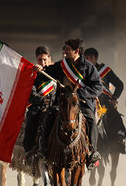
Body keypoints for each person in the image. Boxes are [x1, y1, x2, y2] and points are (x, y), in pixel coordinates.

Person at [35, 38, 103, 169]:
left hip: (81, 104)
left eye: (67, 49)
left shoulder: (89, 68)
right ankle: (43, 148)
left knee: (91, 121)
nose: (64, 51)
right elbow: (44, 75)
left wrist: (80, 94)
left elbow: (98, 87)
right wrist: (40, 70)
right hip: (61, 103)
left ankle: (92, 152)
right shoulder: (60, 65)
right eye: (64, 48)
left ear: (76, 51)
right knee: (49, 116)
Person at [83, 47, 126, 154]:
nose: (88, 60)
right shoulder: (82, 70)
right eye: (86, 58)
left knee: (116, 117)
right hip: (88, 101)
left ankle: (119, 139)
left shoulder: (105, 70)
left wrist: (114, 98)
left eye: (91, 58)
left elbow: (119, 84)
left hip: (104, 102)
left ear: (96, 58)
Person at [23, 46, 55, 156]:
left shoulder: (55, 71)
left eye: (45, 59)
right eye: (40, 60)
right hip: (38, 107)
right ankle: (29, 149)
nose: (42, 62)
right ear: (36, 60)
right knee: (31, 118)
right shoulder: (32, 73)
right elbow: (31, 93)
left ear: (49, 59)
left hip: (54, 107)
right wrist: (42, 100)